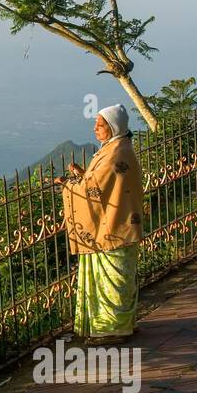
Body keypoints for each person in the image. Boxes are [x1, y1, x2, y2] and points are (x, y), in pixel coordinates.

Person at [54, 104, 144, 344]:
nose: (95, 128)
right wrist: (83, 176)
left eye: (100, 124)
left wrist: (67, 184)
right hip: (122, 225)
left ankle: (110, 330)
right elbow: (105, 187)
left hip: (112, 231)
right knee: (121, 279)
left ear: (113, 127)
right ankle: (122, 324)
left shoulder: (115, 154)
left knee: (111, 281)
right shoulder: (118, 148)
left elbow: (93, 192)